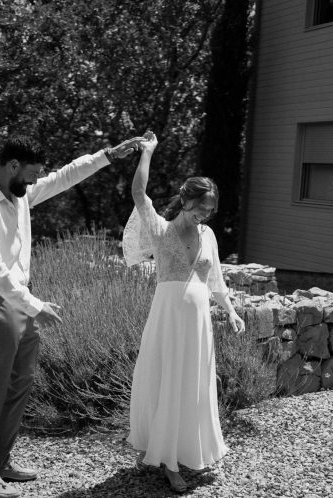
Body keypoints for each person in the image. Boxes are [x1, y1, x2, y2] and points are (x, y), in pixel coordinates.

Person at [0, 134, 143, 498]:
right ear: (12, 165)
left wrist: (108, 155)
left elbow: (64, 177)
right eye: (30, 174)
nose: (33, 181)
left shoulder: (20, 194)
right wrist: (35, 306)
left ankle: (4, 462)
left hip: (21, 301)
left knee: (20, 385)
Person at [123, 132, 245, 493]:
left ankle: (195, 450)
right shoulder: (161, 229)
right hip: (167, 321)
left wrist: (232, 311)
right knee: (169, 384)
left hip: (198, 325)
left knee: (193, 386)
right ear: (183, 200)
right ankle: (170, 462)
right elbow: (138, 194)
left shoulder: (208, 235)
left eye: (209, 210)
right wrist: (148, 152)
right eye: (199, 208)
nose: (204, 215)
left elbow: (217, 281)